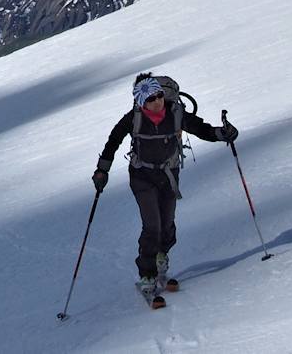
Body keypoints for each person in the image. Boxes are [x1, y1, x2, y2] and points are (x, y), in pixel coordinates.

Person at [92, 73, 238, 307]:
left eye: (159, 95)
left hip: (168, 175)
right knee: (152, 225)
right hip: (142, 177)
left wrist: (223, 134)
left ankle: (162, 257)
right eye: (151, 98)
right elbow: (113, 141)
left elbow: (202, 129)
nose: (157, 101)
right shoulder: (133, 118)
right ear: (141, 101)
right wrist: (102, 170)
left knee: (167, 222)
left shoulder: (175, 113)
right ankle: (147, 275)